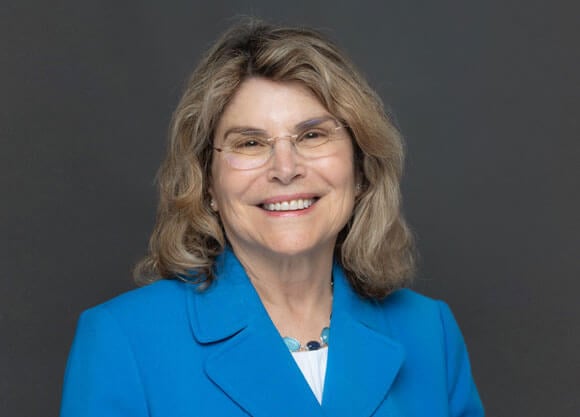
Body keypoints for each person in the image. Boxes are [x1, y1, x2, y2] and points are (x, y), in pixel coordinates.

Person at [60, 19, 484, 417]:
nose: (285, 168)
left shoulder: (430, 331)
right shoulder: (124, 339)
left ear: (360, 168)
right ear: (207, 183)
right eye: (249, 143)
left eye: (312, 135)